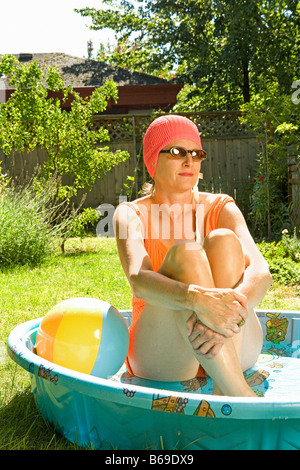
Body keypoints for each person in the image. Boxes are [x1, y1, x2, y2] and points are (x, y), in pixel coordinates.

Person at [113, 115, 272, 397]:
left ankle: (228, 383)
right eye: (176, 152)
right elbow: (139, 280)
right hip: (164, 354)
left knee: (223, 240)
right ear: (152, 161)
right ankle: (241, 395)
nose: (189, 161)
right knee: (187, 253)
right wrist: (198, 299)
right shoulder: (130, 214)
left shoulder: (221, 207)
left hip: (235, 338)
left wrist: (224, 317)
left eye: (196, 153)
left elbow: (261, 272)